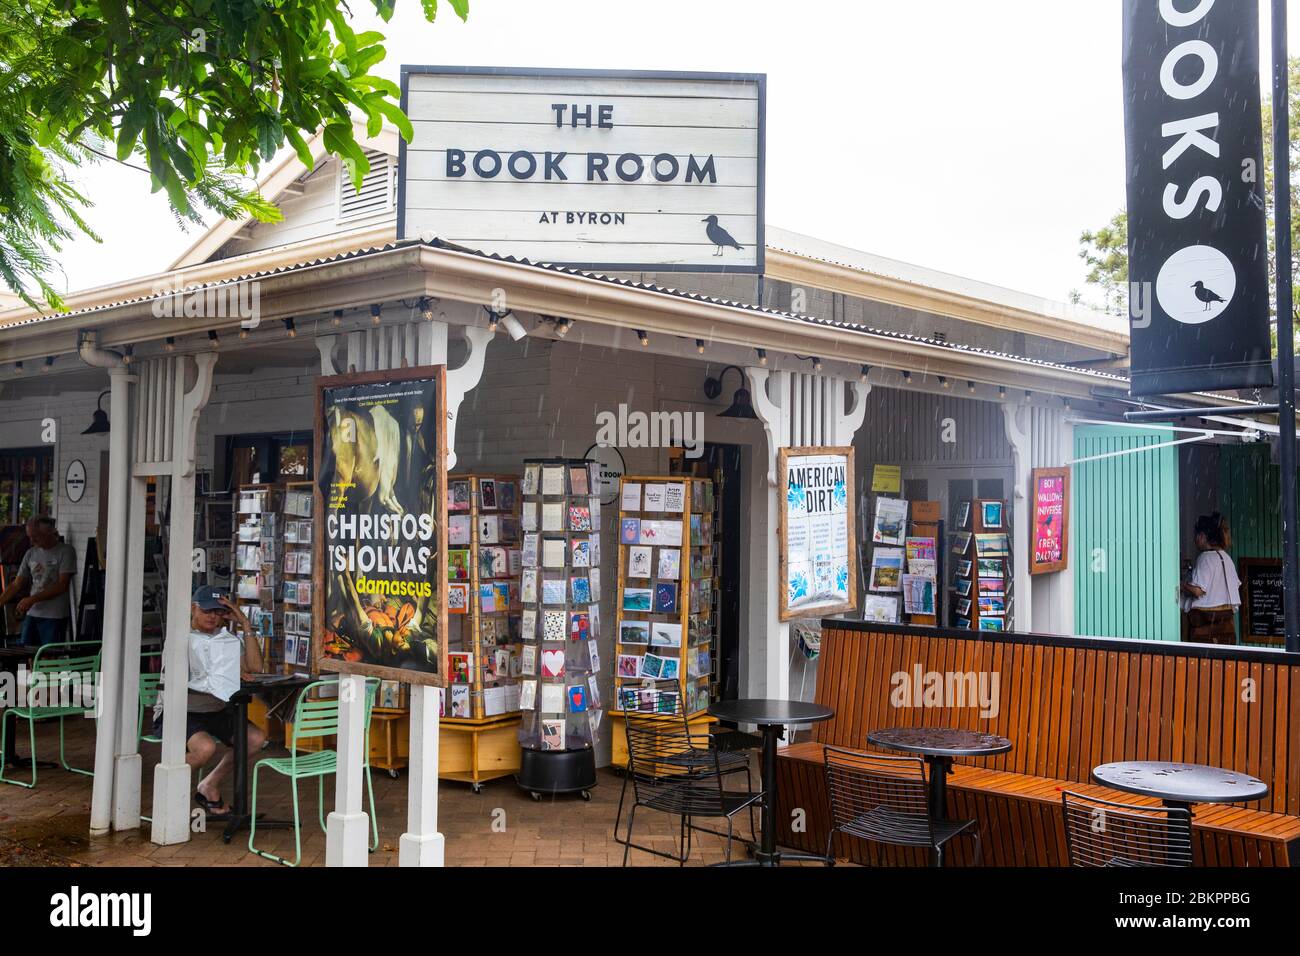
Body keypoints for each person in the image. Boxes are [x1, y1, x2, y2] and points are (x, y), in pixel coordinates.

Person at [154, 585, 266, 819]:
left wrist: (244, 623)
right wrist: (228, 674)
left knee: (255, 739)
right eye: (206, 611)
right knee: (205, 748)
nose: (212, 616)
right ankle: (167, 791)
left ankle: (209, 785)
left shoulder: (225, 639)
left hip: (216, 709)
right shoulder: (180, 638)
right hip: (181, 710)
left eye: (217, 612)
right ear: (193, 609)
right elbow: (192, 676)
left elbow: (255, 668)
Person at [0, 516, 77, 646]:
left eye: (35, 536)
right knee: (23, 653)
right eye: (29, 536)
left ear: (49, 532)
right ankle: (24, 668)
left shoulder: (66, 551)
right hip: (32, 613)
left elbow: (62, 585)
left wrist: (32, 599)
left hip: (54, 615)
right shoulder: (31, 553)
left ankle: (39, 668)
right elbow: (16, 584)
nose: (31, 541)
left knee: (48, 655)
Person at [1180, 512, 1241, 645]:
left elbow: (1198, 591)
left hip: (1205, 625)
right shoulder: (1226, 557)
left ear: (1202, 536)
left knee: (1184, 610)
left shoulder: (1205, 558)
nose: (1194, 540)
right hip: (1225, 627)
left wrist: (1182, 585)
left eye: (1196, 536)